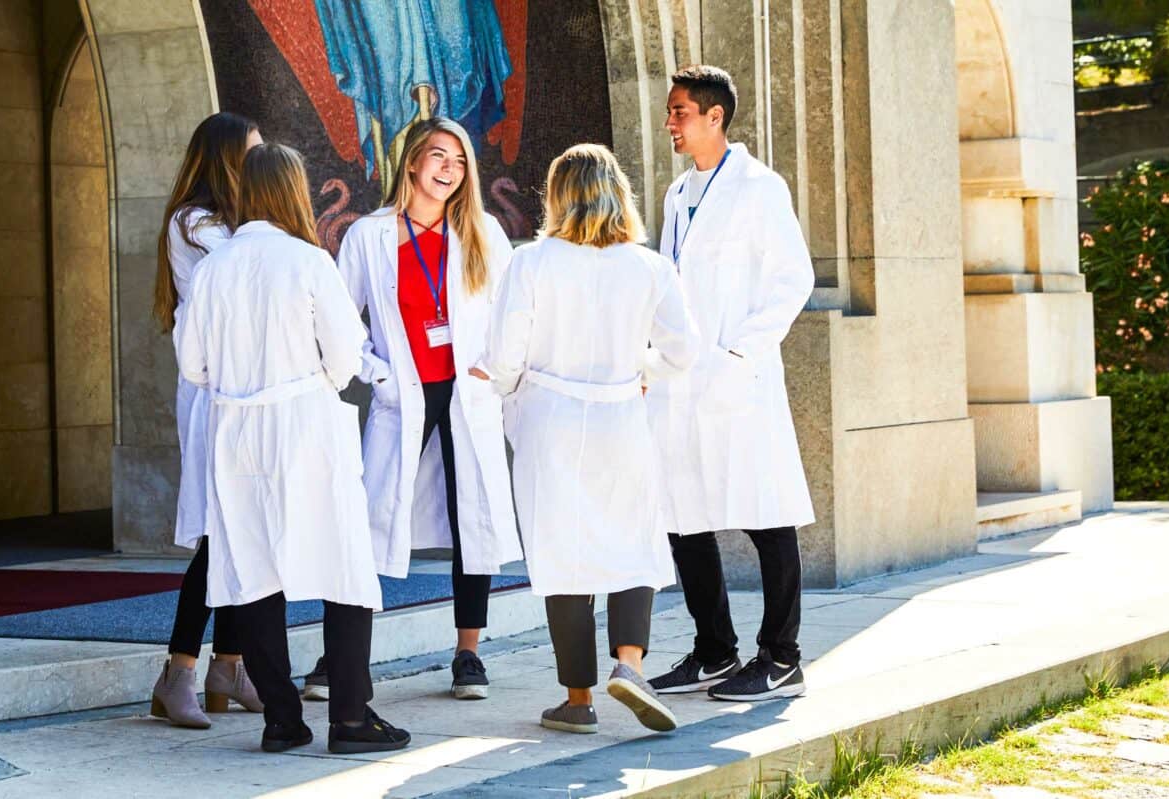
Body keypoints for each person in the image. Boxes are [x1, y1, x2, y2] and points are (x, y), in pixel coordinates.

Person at [175, 142, 411, 755]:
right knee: (344, 565)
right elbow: (343, 359)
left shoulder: (212, 268)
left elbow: (192, 366)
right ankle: (351, 718)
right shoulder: (308, 261)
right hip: (304, 422)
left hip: (234, 428)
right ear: (294, 191)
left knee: (251, 568)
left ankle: (281, 719)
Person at [471, 143, 698, 734]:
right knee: (633, 540)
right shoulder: (649, 266)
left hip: (550, 419)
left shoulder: (533, 262)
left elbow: (504, 357)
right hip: (621, 415)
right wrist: (640, 370)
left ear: (557, 197)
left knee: (562, 554)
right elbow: (683, 352)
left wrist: (499, 380)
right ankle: (630, 664)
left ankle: (578, 700)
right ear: (618, 192)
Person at [311, 117, 519, 702]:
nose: (449, 168)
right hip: (401, 395)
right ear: (411, 163)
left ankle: (469, 654)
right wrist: (374, 372)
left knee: (470, 518)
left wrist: (495, 369)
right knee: (369, 518)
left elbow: (514, 314)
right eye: (438, 156)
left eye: (459, 159)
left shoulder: (483, 233)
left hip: (465, 392)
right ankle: (341, 659)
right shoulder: (369, 236)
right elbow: (337, 319)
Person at [645, 66, 816, 702]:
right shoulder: (676, 193)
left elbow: (792, 278)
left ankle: (783, 655)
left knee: (766, 513)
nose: (671, 123)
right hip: (680, 379)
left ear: (715, 117)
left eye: (681, 112)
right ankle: (714, 650)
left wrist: (738, 352)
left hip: (737, 379)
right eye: (671, 112)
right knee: (684, 516)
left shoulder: (758, 188)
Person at [148, 112, 264, 729]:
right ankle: (181, 671)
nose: (261, 162)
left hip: (255, 389)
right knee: (219, 534)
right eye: (253, 152)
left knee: (249, 529)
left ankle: (232, 664)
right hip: (215, 392)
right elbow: (248, 278)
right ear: (225, 157)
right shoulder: (194, 223)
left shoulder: (244, 224)